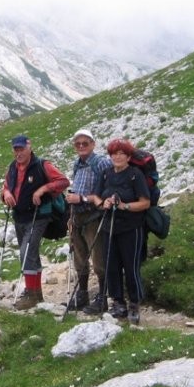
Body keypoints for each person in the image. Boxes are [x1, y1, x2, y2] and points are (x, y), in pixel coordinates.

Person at [85, 138, 150, 324]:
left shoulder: (135, 175)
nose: (117, 156)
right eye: (114, 153)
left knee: (131, 266)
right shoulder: (106, 174)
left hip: (131, 228)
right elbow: (96, 195)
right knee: (111, 266)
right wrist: (102, 203)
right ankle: (118, 303)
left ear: (129, 156)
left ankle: (135, 304)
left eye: (122, 153)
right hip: (108, 227)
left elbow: (145, 202)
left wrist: (124, 206)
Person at [2, 135, 70, 310]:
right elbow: (7, 185)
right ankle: (36, 293)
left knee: (26, 252)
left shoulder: (42, 165)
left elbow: (63, 181)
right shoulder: (12, 167)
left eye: (21, 149)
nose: (19, 153)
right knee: (30, 252)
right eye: (16, 149)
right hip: (19, 216)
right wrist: (6, 193)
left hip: (39, 216)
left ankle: (31, 294)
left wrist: (43, 189)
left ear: (29, 147)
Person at [64, 129, 112, 313]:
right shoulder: (78, 164)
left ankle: (102, 297)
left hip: (94, 216)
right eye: (78, 144)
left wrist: (82, 199)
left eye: (85, 143)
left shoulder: (100, 163)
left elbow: (107, 190)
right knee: (80, 257)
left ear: (93, 144)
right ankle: (82, 294)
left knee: (98, 258)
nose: (81, 146)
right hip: (77, 217)